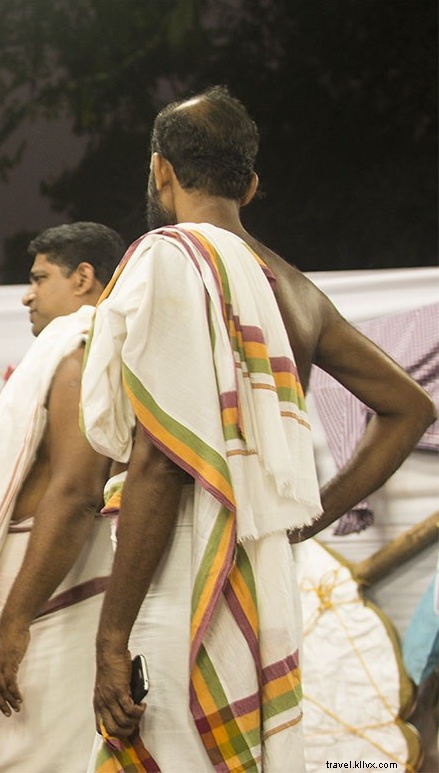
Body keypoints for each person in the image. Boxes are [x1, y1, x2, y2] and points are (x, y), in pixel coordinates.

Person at [84, 86, 436, 771]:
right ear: (250, 184)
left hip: (181, 574)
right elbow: (409, 408)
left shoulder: (169, 258)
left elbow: (162, 460)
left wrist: (110, 639)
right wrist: (309, 513)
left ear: (161, 169)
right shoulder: (296, 290)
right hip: (265, 580)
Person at [0, 223, 124, 772]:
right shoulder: (75, 357)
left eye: (39, 278)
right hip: (42, 606)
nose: (26, 294)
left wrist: (14, 628)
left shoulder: (81, 361)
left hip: (61, 609)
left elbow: (79, 495)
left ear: (83, 278)